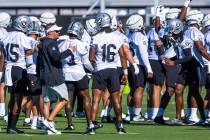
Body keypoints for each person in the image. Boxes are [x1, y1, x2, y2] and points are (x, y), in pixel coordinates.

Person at [89, 12, 127, 134]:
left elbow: (91, 57)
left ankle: (91, 126)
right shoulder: (117, 37)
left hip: (100, 70)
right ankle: (120, 126)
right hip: (113, 71)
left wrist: (94, 67)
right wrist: (125, 72)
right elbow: (122, 55)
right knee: (116, 100)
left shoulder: (96, 37)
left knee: (95, 100)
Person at [37, 24, 74, 135]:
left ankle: (48, 128)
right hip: (53, 76)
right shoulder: (51, 43)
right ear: (50, 32)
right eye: (56, 31)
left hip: (44, 75)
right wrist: (70, 50)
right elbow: (56, 57)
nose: (58, 33)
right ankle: (49, 120)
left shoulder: (42, 43)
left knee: (47, 101)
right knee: (65, 99)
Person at [2, 16, 33, 134]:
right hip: (19, 68)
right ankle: (12, 127)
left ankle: (10, 125)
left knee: (12, 98)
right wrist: (29, 66)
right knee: (18, 99)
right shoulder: (24, 38)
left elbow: (3, 52)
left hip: (8, 68)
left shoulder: (7, 35)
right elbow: (29, 52)